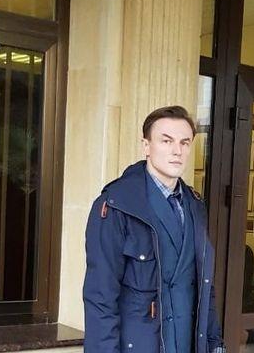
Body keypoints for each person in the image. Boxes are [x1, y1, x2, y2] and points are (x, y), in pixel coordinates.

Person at [83, 106, 225, 353]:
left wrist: (215, 345)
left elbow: (205, 290)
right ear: (146, 146)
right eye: (166, 141)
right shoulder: (116, 205)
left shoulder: (195, 206)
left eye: (184, 143)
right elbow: (100, 298)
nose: (177, 151)